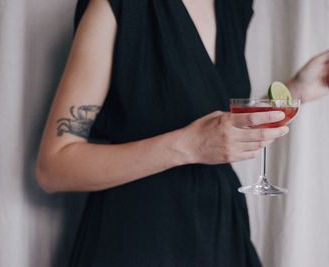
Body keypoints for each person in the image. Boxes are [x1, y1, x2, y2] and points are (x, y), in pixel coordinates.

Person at [35, 0, 329, 265]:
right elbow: (54, 166)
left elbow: (212, 117)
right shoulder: (118, 5)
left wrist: (295, 89)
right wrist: (187, 146)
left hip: (220, 232)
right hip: (137, 237)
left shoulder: (235, 7)